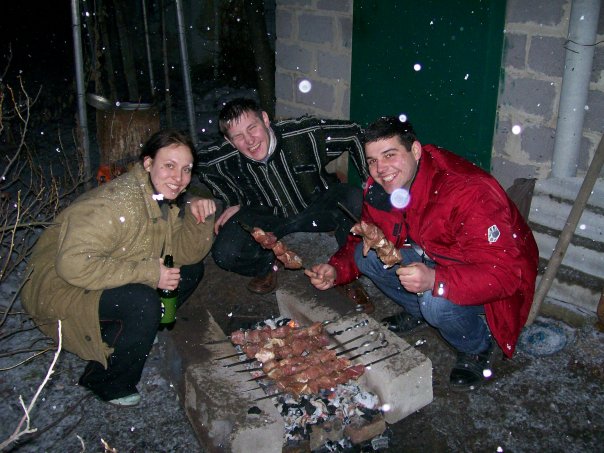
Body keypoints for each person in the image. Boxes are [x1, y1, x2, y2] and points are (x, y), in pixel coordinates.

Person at [306, 116, 538, 390]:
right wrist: (336, 269)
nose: (380, 170)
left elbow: (506, 275)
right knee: (366, 257)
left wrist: (435, 280)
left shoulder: (468, 193)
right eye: (372, 161)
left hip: (488, 275)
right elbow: (366, 237)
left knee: (435, 301)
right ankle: (419, 311)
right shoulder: (381, 188)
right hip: (434, 256)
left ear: (415, 150)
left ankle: (476, 346)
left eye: (390, 155)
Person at [21, 129, 216, 406]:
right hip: (56, 291)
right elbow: (72, 265)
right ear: (148, 163)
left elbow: (185, 255)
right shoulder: (116, 203)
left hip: (95, 275)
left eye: (186, 169)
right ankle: (104, 380)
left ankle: (129, 333)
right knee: (143, 302)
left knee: (187, 272)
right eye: (169, 166)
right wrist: (151, 273)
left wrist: (198, 217)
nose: (179, 178)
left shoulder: (158, 199)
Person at [195, 97, 374, 311]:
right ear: (229, 140)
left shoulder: (304, 133)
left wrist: (370, 184)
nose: (250, 141)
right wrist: (232, 199)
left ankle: (343, 273)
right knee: (225, 254)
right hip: (266, 215)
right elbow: (201, 165)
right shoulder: (222, 157)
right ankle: (267, 265)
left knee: (355, 199)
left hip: (318, 203)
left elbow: (354, 132)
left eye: (252, 128)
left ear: (265, 119)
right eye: (238, 137)